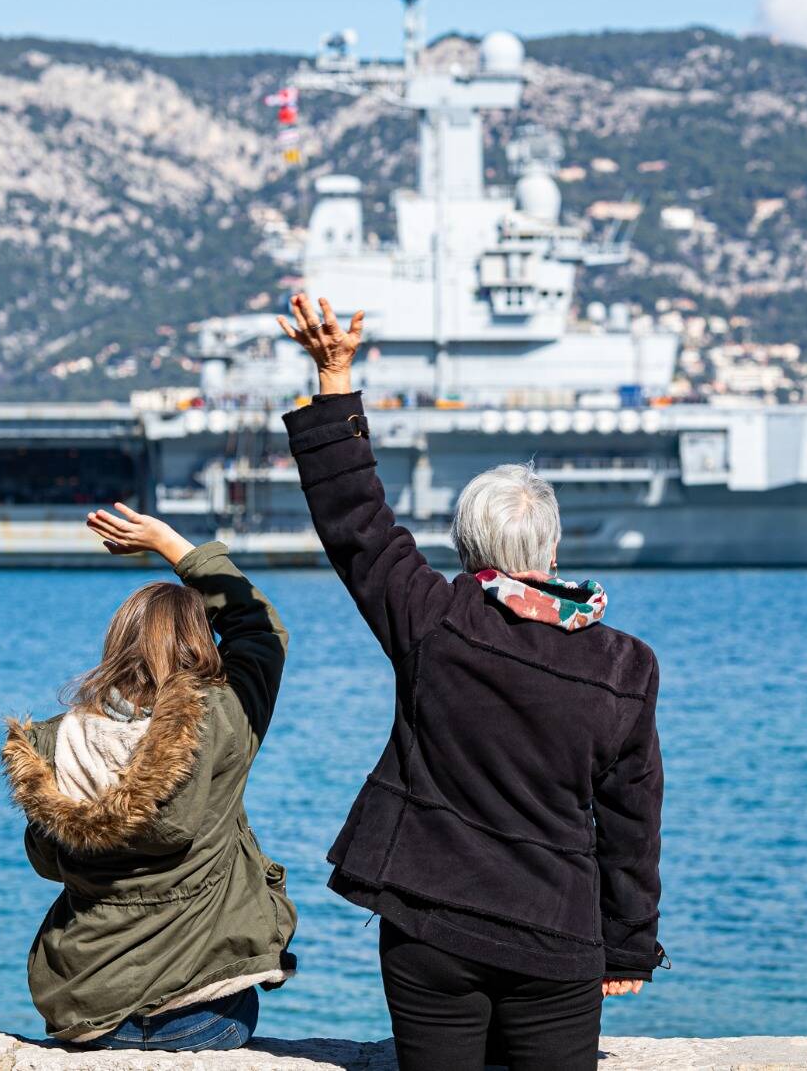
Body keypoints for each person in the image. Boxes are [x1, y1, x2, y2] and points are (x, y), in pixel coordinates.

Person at [277, 294, 666, 1071]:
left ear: (467, 548)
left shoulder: (433, 619)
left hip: (429, 922)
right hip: (555, 933)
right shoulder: (624, 664)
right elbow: (632, 822)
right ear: (552, 549)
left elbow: (355, 519)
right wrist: (626, 944)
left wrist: (333, 372)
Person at [3, 505, 297, 1053]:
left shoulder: (48, 744)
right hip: (206, 1014)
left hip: (88, 1011)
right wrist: (170, 543)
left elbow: (46, 863)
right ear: (198, 646)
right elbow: (261, 630)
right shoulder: (222, 719)